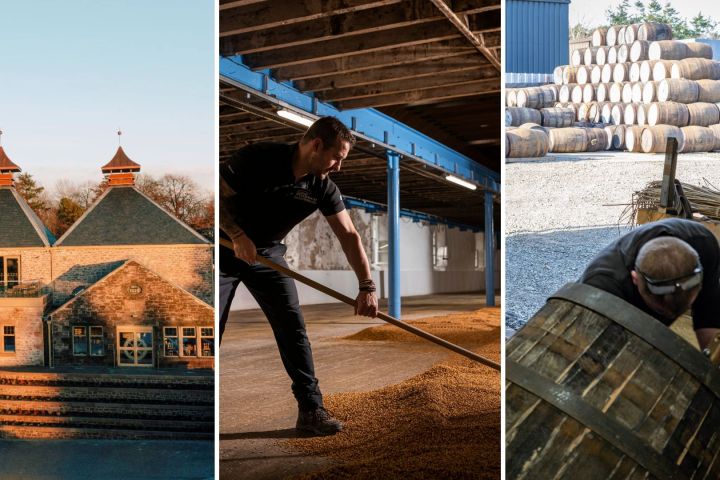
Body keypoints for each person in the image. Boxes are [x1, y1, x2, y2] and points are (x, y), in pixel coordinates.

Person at [219, 116, 379, 435]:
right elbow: (212, 197)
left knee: (293, 327)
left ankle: (310, 410)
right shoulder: (257, 158)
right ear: (316, 145)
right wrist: (237, 234)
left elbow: (349, 234)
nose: (338, 167)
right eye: (337, 157)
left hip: (268, 254)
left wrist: (366, 285)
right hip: (222, 246)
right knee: (209, 327)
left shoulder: (322, 187)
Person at [580, 218, 720, 349]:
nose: (672, 316)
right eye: (660, 311)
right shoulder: (602, 288)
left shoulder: (704, 245)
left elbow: (708, 317)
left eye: (685, 307)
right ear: (635, 279)